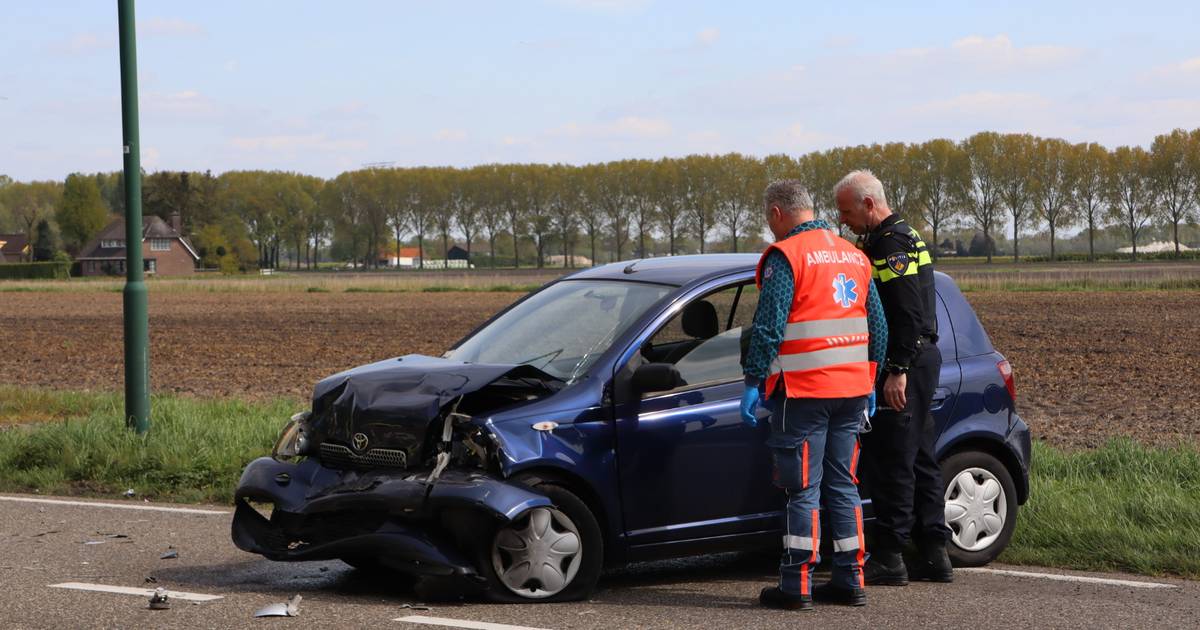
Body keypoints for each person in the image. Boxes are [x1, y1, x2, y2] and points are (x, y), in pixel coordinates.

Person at [741, 180, 888, 611]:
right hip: (853, 392)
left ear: (776, 214)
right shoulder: (854, 255)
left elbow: (769, 325)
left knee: (802, 490)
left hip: (804, 392)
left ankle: (796, 585)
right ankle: (850, 579)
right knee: (843, 485)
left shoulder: (787, 256)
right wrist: (871, 378)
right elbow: (877, 326)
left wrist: (753, 381)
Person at [834, 169, 953, 586]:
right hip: (921, 359)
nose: (843, 221)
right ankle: (935, 553)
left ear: (869, 204)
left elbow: (906, 313)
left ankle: (889, 556)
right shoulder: (904, 234)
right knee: (921, 456)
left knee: (895, 459)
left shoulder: (890, 243)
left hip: (908, 362)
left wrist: (897, 369)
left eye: (847, 212)